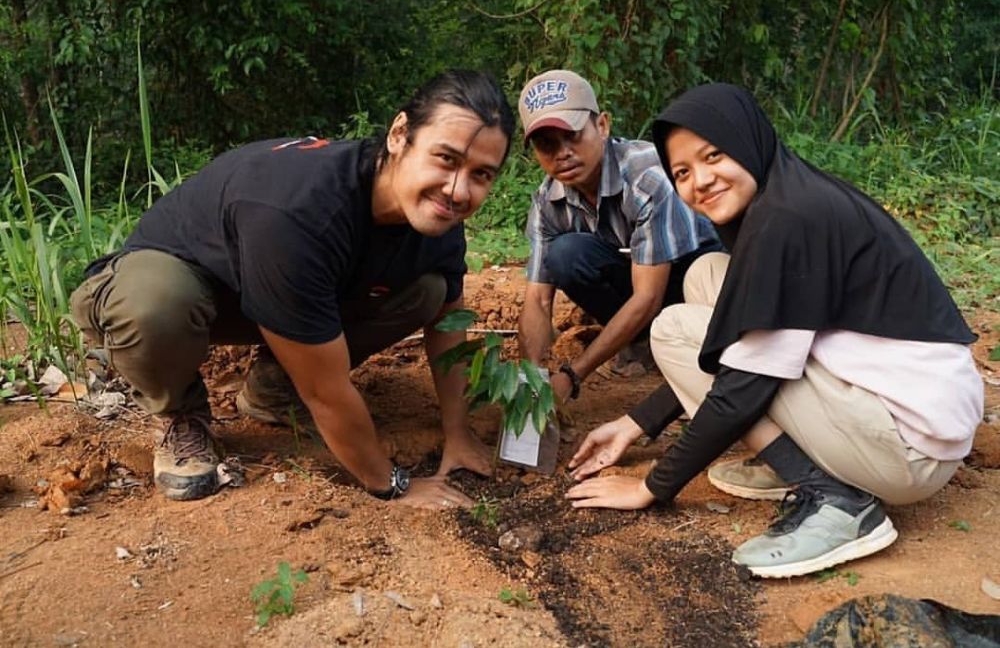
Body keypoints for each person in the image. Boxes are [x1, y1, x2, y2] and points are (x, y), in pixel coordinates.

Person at [566, 83, 984, 578]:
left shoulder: (787, 223)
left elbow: (740, 388)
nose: (701, 181)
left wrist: (650, 487)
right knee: (706, 275)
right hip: (902, 405)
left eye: (713, 155)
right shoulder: (790, 194)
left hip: (909, 451)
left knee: (675, 329)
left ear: (746, 141)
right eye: (682, 172)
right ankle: (803, 455)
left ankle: (836, 499)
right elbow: (736, 347)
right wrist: (635, 424)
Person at [70, 70, 516, 508]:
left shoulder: (438, 219)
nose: (458, 191)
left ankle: (275, 390)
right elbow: (326, 391)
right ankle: (180, 413)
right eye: (446, 159)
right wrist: (392, 485)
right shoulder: (301, 211)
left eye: (481, 174)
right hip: (187, 286)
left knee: (428, 291)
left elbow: (449, 321)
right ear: (400, 134)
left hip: (275, 295)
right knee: (155, 304)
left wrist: (457, 431)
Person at [516, 69, 719, 403]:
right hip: (639, 277)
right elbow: (537, 300)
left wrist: (573, 375)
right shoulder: (547, 201)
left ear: (602, 126)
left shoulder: (647, 178)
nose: (563, 153)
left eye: (573, 136)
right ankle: (640, 342)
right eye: (546, 144)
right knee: (565, 255)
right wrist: (530, 383)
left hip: (694, 284)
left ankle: (688, 340)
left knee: (699, 282)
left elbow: (648, 296)